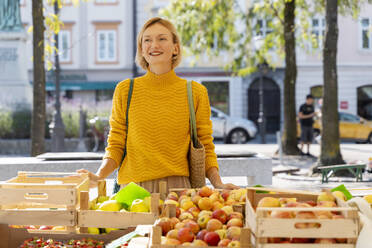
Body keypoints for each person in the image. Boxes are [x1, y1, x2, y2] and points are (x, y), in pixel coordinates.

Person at [77, 17, 238, 192]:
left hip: (179, 191)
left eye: (162, 39)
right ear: (142, 49)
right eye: (147, 40)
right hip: (133, 190)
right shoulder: (125, 90)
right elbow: (116, 144)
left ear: (175, 48)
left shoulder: (195, 92)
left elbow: (205, 145)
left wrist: (218, 183)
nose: (154, 45)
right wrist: (99, 176)